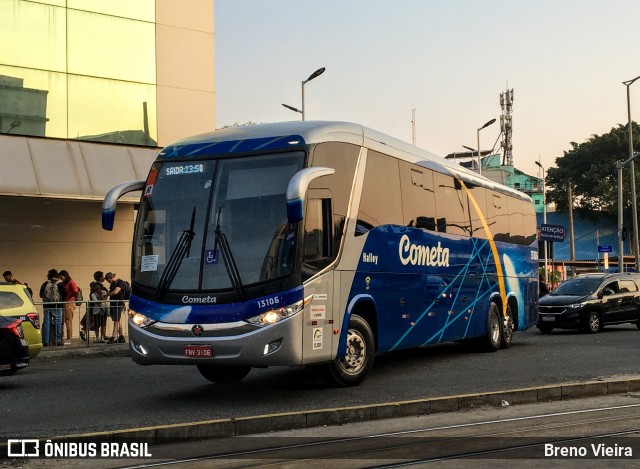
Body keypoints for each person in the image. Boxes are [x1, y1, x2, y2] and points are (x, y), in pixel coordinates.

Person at [38, 268, 65, 346]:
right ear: (57, 276)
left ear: (48, 276)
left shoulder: (45, 283)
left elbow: (40, 294)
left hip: (47, 306)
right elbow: (64, 294)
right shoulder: (60, 284)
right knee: (58, 322)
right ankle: (57, 340)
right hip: (58, 305)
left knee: (47, 323)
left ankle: (46, 341)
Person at [59, 270, 79, 345]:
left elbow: (75, 291)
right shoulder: (65, 283)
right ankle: (63, 337)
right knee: (64, 321)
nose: (61, 279)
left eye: (62, 277)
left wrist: (69, 296)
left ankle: (68, 338)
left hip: (69, 302)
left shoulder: (71, 282)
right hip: (66, 302)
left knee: (68, 321)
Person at [105, 272, 126, 344]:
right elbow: (111, 291)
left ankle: (113, 337)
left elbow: (115, 292)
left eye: (108, 280)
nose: (108, 282)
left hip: (118, 304)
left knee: (116, 321)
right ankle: (121, 337)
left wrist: (108, 294)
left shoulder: (120, 282)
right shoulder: (112, 284)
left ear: (112, 277)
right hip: (113, 304)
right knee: (118, 321)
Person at [91, 271, 109, 343]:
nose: (98, 289)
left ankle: (102, 337)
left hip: (103, 310)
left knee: (103, 324)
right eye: (96, 288)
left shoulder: (103, 291)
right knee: (96, 325)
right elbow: (96, 301)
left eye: (99, 288)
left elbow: (105, 299)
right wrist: (101, 298)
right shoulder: (93, 294)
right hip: (96, 311)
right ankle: (97, 337)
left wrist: (101, 295)